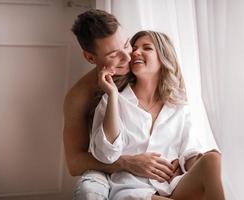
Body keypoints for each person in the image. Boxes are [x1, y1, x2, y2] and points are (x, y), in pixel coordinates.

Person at [90, 30, 225, 200]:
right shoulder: (113, 100)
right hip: (133, 189)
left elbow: (189, 150)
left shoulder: (178, 106)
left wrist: (189, 164)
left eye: (147, 48)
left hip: (173, 185)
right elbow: (105, 154)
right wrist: (112, 94)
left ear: (163, 58)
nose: (136, 52)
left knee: (213, 159)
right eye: (134, 48)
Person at [64, 9, 179, 200]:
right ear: (90, 58)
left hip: (152, 169)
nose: (128, 57)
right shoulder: (80, 95)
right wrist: (126, 163)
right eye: (114, 55)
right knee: (87, 192)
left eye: (126, 44)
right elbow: (74, 163)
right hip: (106, 169)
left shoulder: (140, 59)